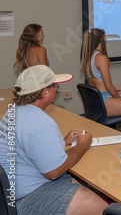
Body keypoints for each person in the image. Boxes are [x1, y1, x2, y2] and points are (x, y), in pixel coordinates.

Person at [0, 65, 109, 214]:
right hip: (24, 200)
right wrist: (83, 144)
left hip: (10, 193)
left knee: (94, 183)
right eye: (54, 87)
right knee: (103, 204)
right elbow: (54, 171)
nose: (56, 91)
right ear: (45, 93)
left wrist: (62, 142)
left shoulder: (13, 111)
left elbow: (28, 146)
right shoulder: (40, 123)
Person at [80, 28, 121, 137]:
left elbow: (94, 84)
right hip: (105, 101)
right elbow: (109, 87)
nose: (106, 40)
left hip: (98, 100)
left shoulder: (87, 58)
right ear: (100, 40)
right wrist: (119, 98)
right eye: (105, 37)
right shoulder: (101, 58)